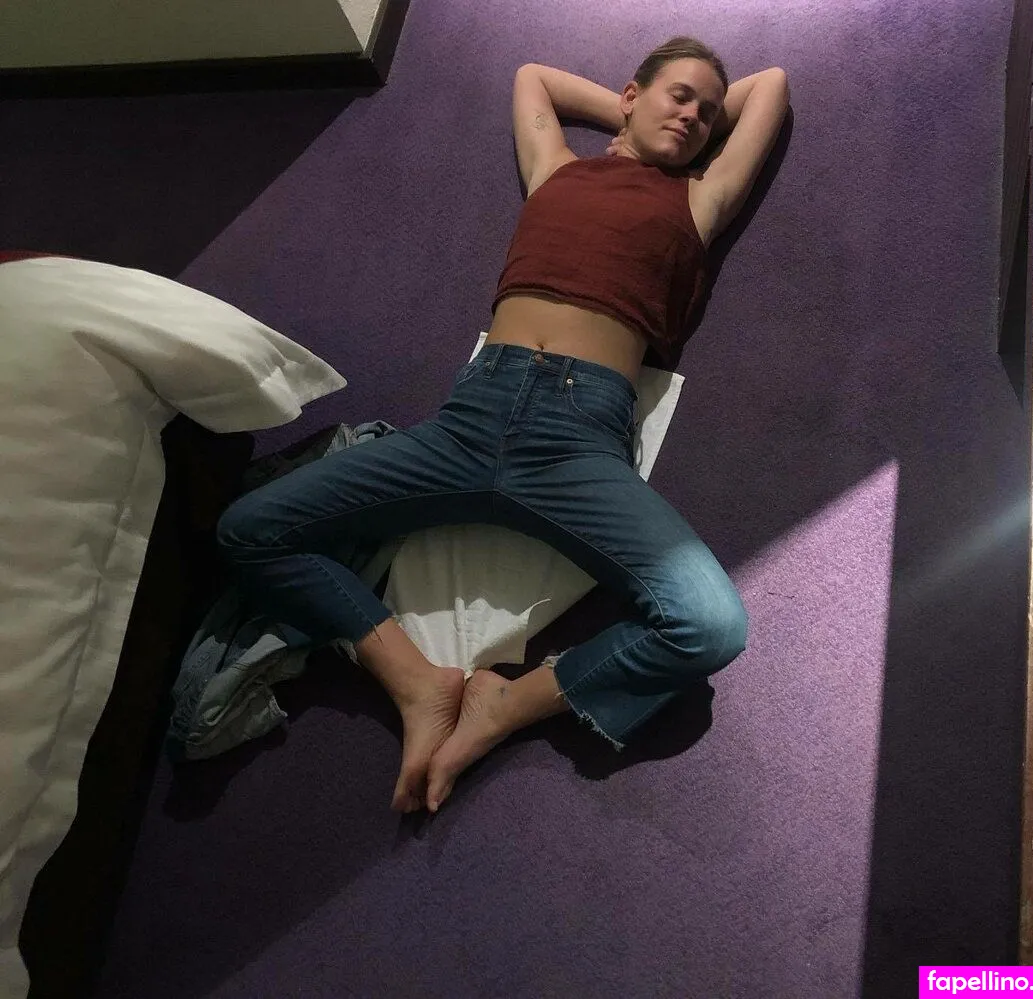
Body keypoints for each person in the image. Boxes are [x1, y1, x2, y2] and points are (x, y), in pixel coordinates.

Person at [216, 37, 790, 814]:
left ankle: (505, 705)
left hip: (578, 441)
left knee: (712, 624)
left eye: (708, 112)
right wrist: (636, 117)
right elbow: (533, 78)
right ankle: (415, 681)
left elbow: (772, 84)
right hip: (470, 418)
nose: (694, 117)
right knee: (248, 528)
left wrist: (681, 128)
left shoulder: (698, 199)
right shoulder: (555, 171)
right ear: (631, 93)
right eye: (679, 96)